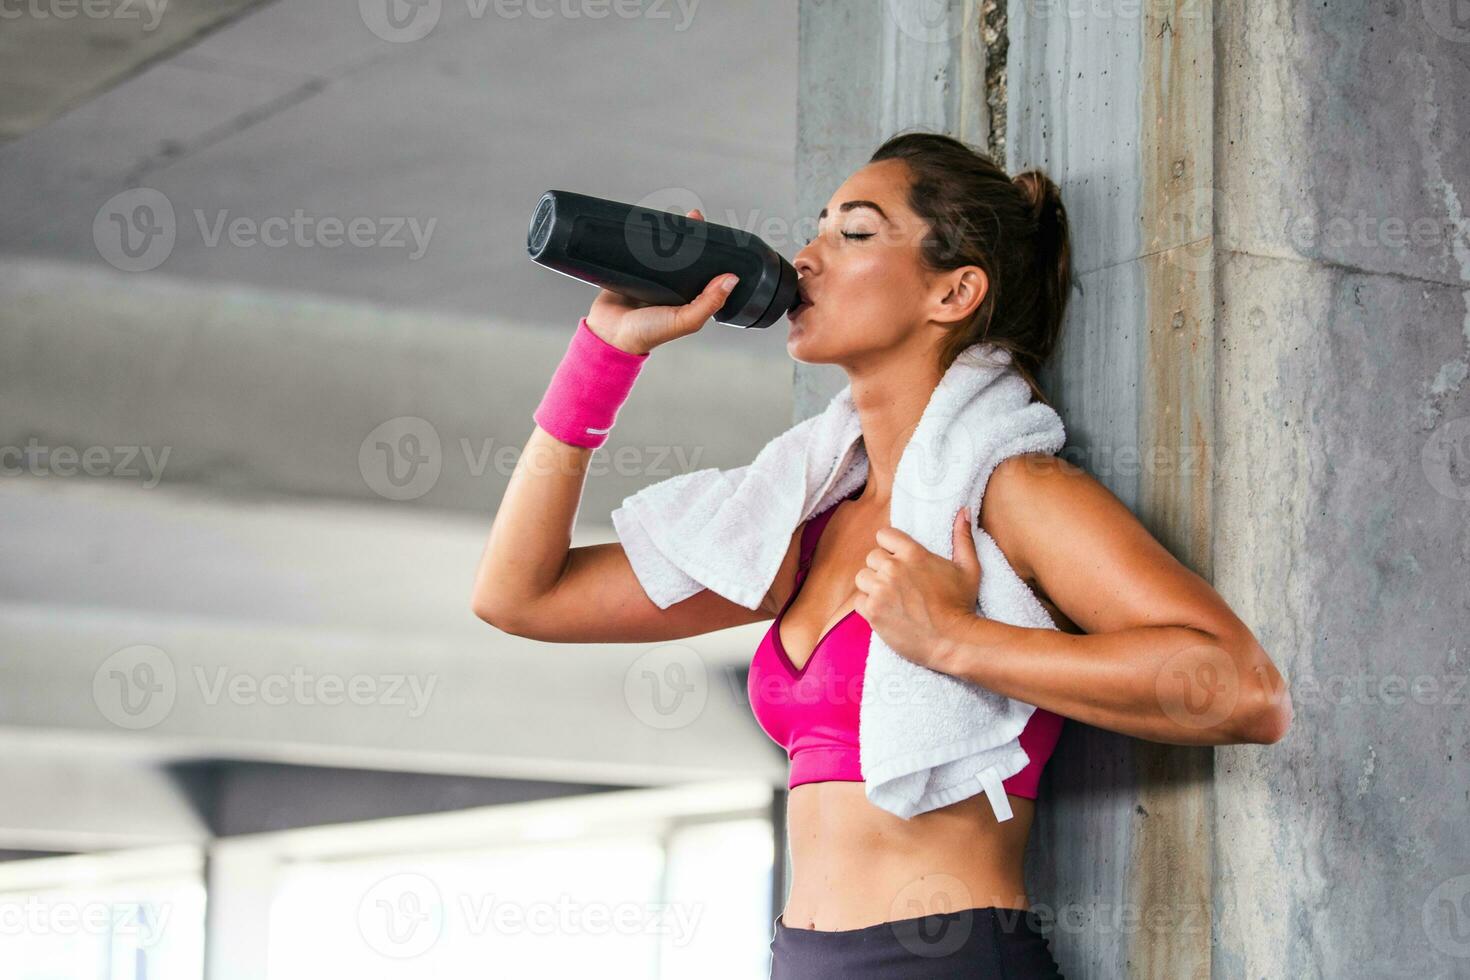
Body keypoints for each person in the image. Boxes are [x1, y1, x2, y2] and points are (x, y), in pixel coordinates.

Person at [471, 130, 1292, 978]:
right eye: (818, 228)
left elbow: (1242, 690)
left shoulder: (1009, 493)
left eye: (852, 233)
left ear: (954, 291)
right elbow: (519, 596)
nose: (806, 257)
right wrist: (603, 356)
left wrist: (953, 640)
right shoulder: (807, 519)